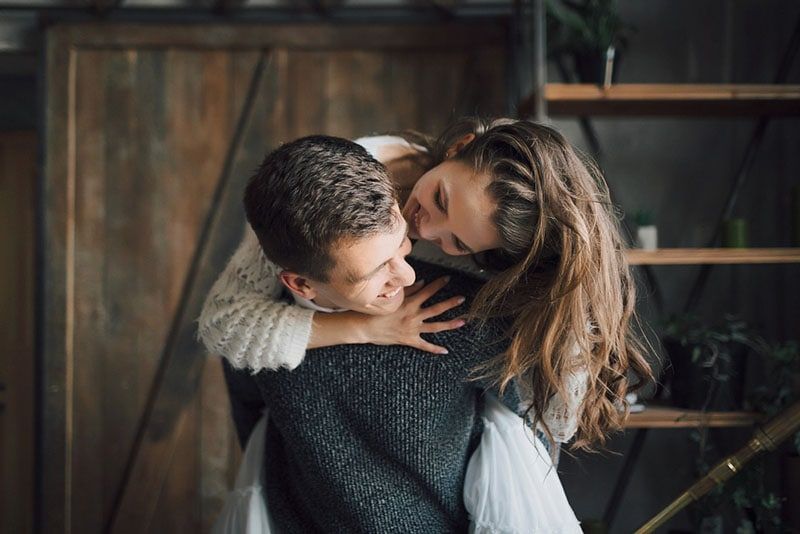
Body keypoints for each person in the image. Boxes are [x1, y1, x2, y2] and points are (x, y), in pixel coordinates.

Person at [199, 117, 653, 452]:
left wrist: (571, 297)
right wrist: (366, 327)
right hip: (276, 388)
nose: (427, 230)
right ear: (459, 146)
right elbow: (223, 322)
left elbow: (559, 419)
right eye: (440, 198)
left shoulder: (499, 247)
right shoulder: (335, 192)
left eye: (457, 242)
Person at [206, 135, 580, 533]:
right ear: (301, 285)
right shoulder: (261, 339)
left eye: (405, 247)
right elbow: (242, 390)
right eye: (440, 200)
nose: (409, 274)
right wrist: (365, 327)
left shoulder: (462, 316)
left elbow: (536, 433)